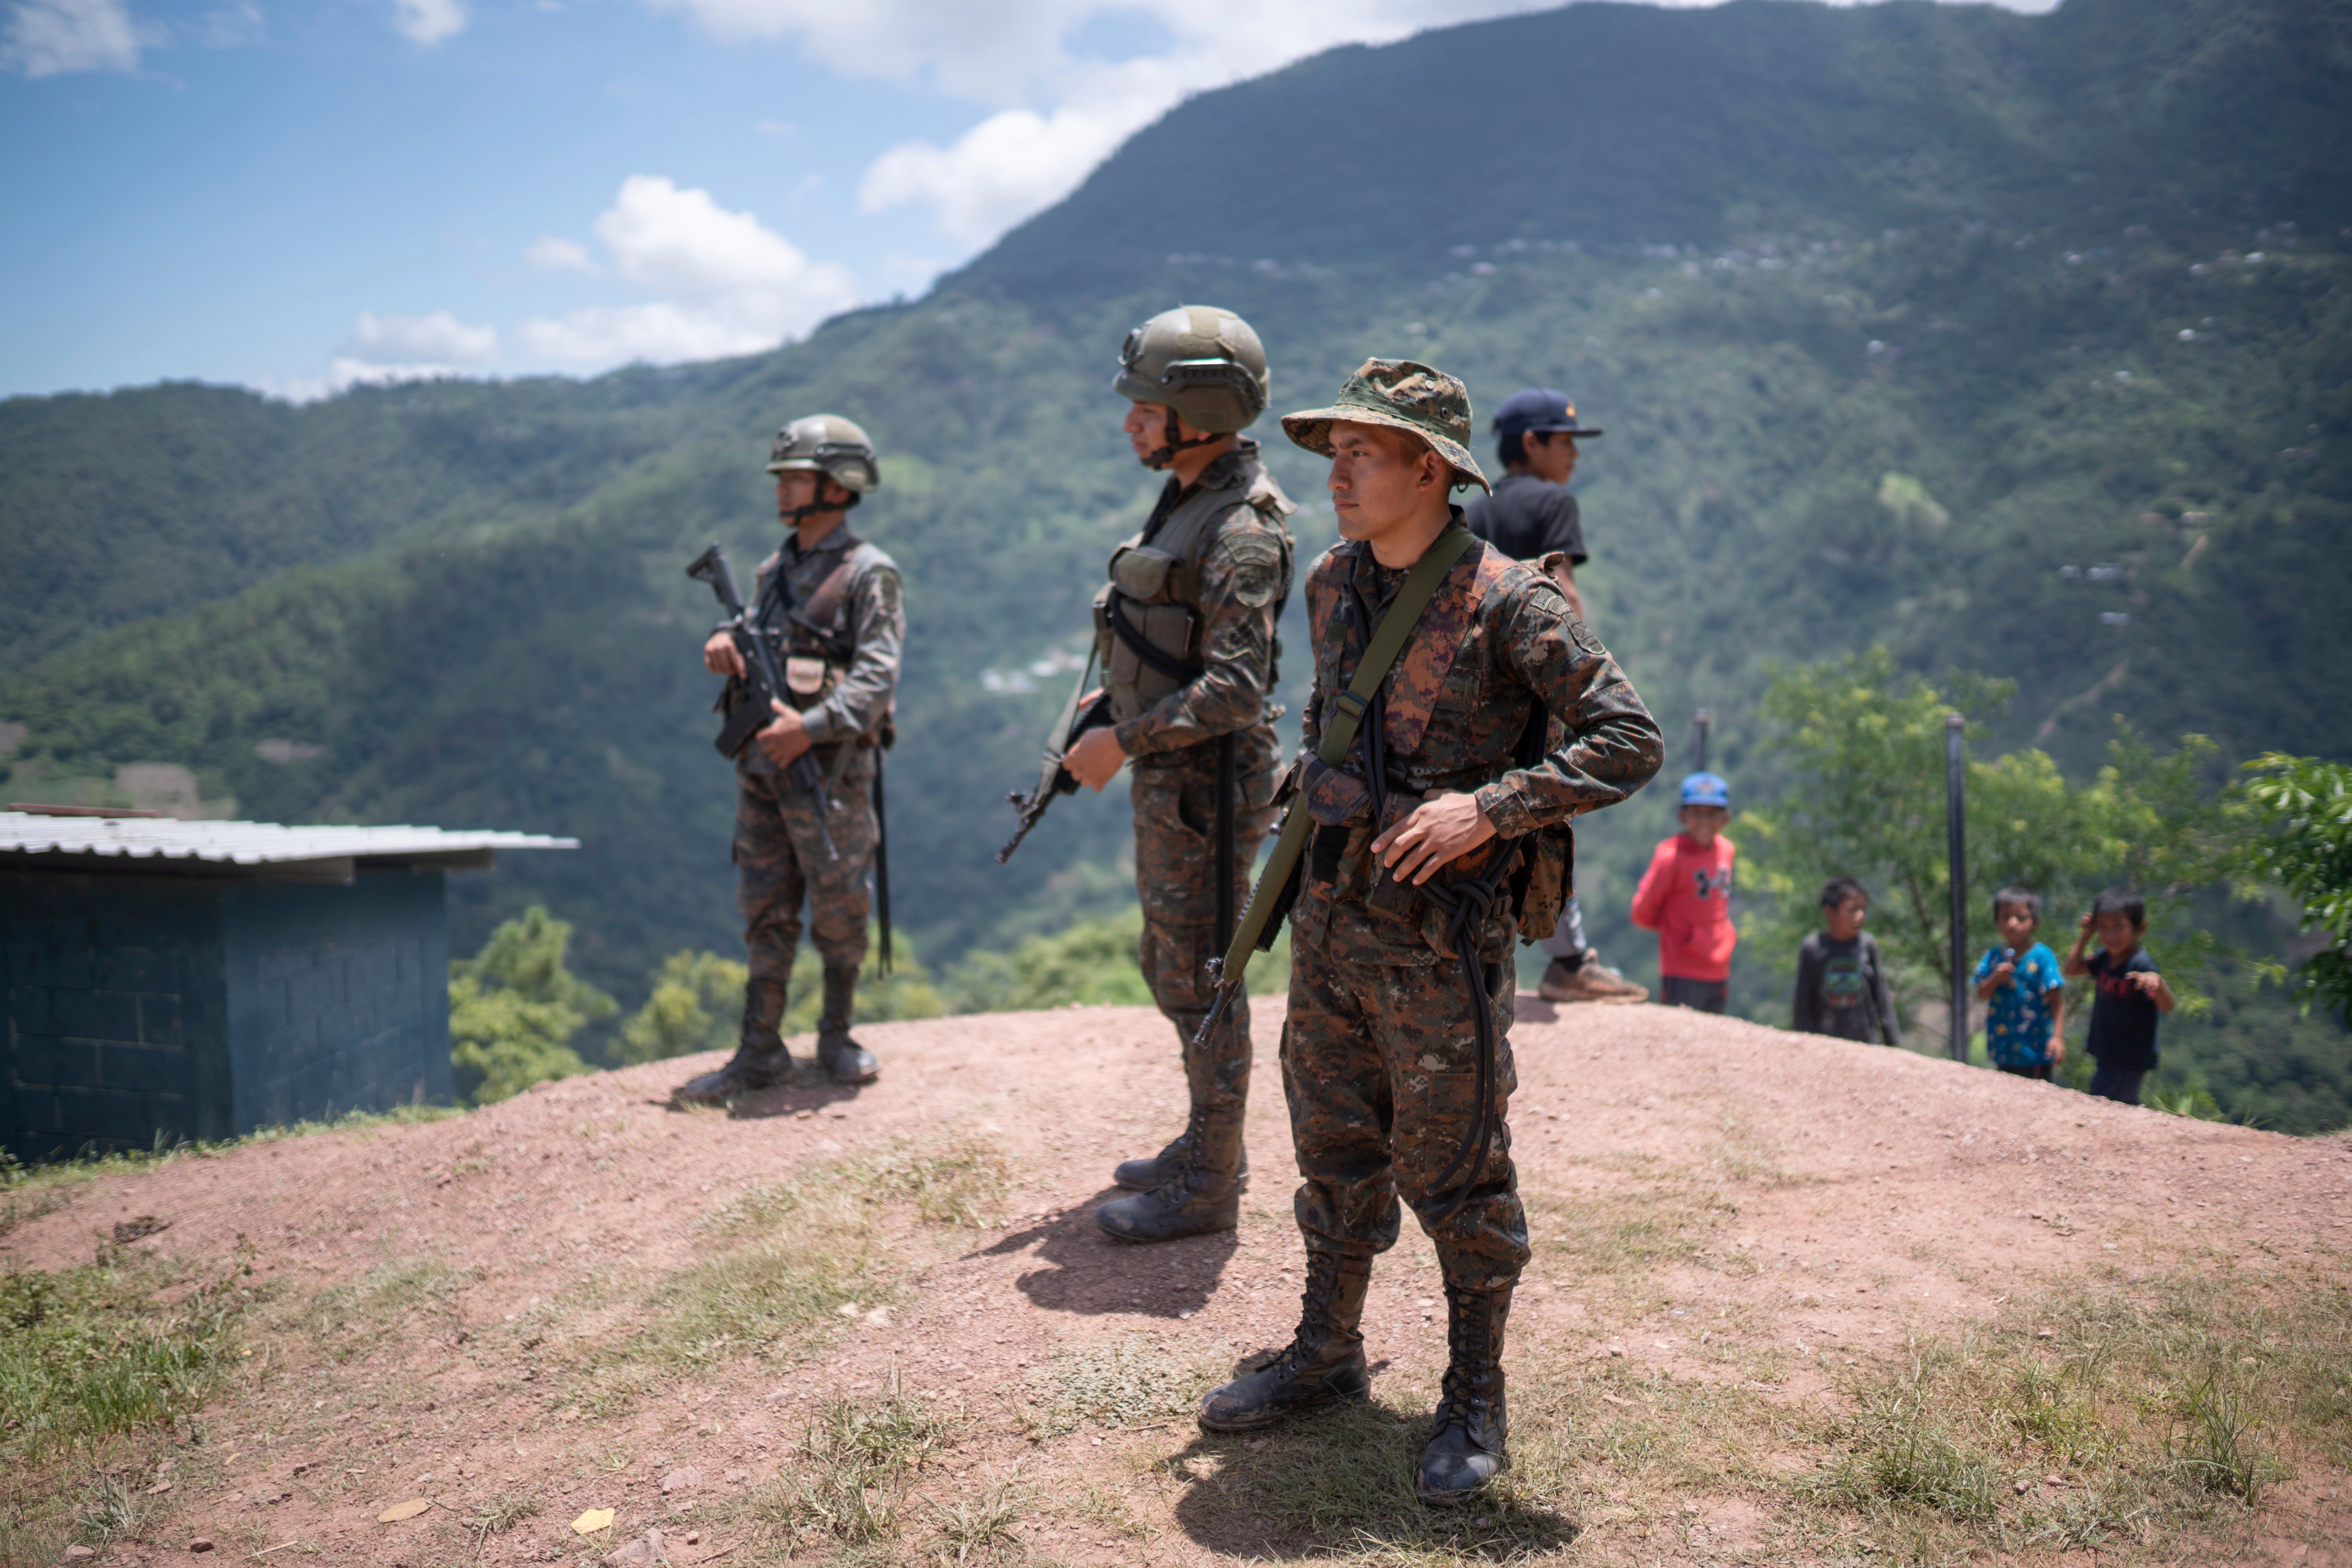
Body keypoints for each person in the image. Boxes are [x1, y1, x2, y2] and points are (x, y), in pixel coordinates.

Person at [1193, 359, 1662, 1506]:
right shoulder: (1328, 585)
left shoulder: (1514, 604)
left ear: (1429, 470)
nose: (1338, 475)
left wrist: (1487, 808)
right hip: (1333, 918)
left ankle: (1472, 1389)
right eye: (1334, 453)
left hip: (1443, 945)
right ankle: (1326, 1350)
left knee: (1456, 1168)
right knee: (1332, 1143)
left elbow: (1628, 738)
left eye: (1363, 454)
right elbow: (1328, 716)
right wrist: (1301, 784)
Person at [1061, 305, 1297, 1244]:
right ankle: (1208, 1142)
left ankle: (1209, 1182)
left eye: (1147, 405)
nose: (1132, 421)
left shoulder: (1241, 525)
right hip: (1176, 777)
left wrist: (1124, 743)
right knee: (1170, 964)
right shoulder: (1191, 492)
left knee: (1204, 975)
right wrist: (1112, 714)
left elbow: (1238, 688)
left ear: (1198, 408)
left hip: (1207, 786)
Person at [679, 415, 904, 1099]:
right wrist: (726, 640)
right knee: (764, 905)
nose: (782, 490)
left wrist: (811, 727)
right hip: (763, 772)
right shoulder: (772, 573)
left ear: (839, 485)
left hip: (830, 774)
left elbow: (876, 679)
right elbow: (758, 641)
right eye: (782, 478)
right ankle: (761, 1049)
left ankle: (836, 1036)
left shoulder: (870, 574)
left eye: (797, 477)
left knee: (840, 905)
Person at [1465, 387, 1644, 1005]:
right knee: (1547, 809)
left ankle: (1484, 939)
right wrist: (1585, 682)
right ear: (1532, 443)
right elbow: (1561, 592)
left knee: (1479, 803)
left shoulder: (1473, 507)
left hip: (1475, 685)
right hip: (1537, 684)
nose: (1572, 454)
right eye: (1564, 440)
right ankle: (1568, 960)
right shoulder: (1554, 501)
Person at [1631, 773, 1737, 1013]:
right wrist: (1682, 933)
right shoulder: (1670, 857)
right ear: (1682, 816)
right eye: (1696, 813)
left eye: (1713, 813)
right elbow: (1641, 912)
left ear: (1726, 818)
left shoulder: (1727, 851)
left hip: (1720, 964)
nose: (1704, 820)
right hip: (1682, 967)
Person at [2062, 887, 2174, 1105]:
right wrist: (2085, 936)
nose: (2110, 935)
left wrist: (2158, 984)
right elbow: (2072, 969)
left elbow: (2167, 1005)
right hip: (2107, 1051)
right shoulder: (2104, 957)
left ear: (2140, 928)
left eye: (2119, 927)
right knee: (2114, 1103)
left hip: (2130, 1057)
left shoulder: (2142, 965)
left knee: (2108, 1104)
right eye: (2103, 928)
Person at [1791, 877, 1899, 1044]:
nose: (1860, 916)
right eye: (1852, 910)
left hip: (1866, 1043)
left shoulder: (1867, 945)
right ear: (1830, 912)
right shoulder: (1813, 948)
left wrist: (1894, 1046)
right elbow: (1802, 1006)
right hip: (1825, 1044)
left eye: (1863, 909)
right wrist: (1806, 1045)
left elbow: (1882, 999)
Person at [1973, 886, 2065, 1079]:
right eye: (2006, 917)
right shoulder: (1993, 957)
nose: (2013, 924)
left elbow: (2056, 998)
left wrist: (2057, 1038)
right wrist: (1995, 979)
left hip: (2036, 1050)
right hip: (2003, 1047)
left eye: (2021, 918)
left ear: (2036, 923)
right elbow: (1981, 994)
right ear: (1997, 922)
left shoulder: (2043, 957)